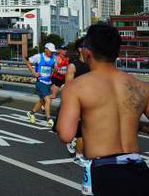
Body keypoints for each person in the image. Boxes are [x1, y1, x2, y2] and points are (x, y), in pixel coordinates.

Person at [57, 24, 149, 195]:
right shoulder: (141, 86)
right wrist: (138, 126)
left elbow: (66, 134)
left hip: (106, 170)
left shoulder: (76, 87)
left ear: (87, 52)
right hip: (139, 168)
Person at [64, 38, 90, 166]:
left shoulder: (93, 64)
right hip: (78, 102)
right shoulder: (73, 66)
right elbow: (68, 87)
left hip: (91, 101)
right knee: (83, 130)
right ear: (80, 49)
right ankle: (79, 156)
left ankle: (73, 139)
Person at [26, 43, 57, 127]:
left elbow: (54, 68)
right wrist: (34, 73)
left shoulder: (53, 58)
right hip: (40, 82)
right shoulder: (39, 56)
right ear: (46, 49)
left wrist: (54, 72)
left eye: (53, 51)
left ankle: (31, 113)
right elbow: (28, 62)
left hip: (48, 82)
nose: (52, 53)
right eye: (51, 51)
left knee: (42, 101)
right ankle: (49, 119)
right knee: (48, 100)